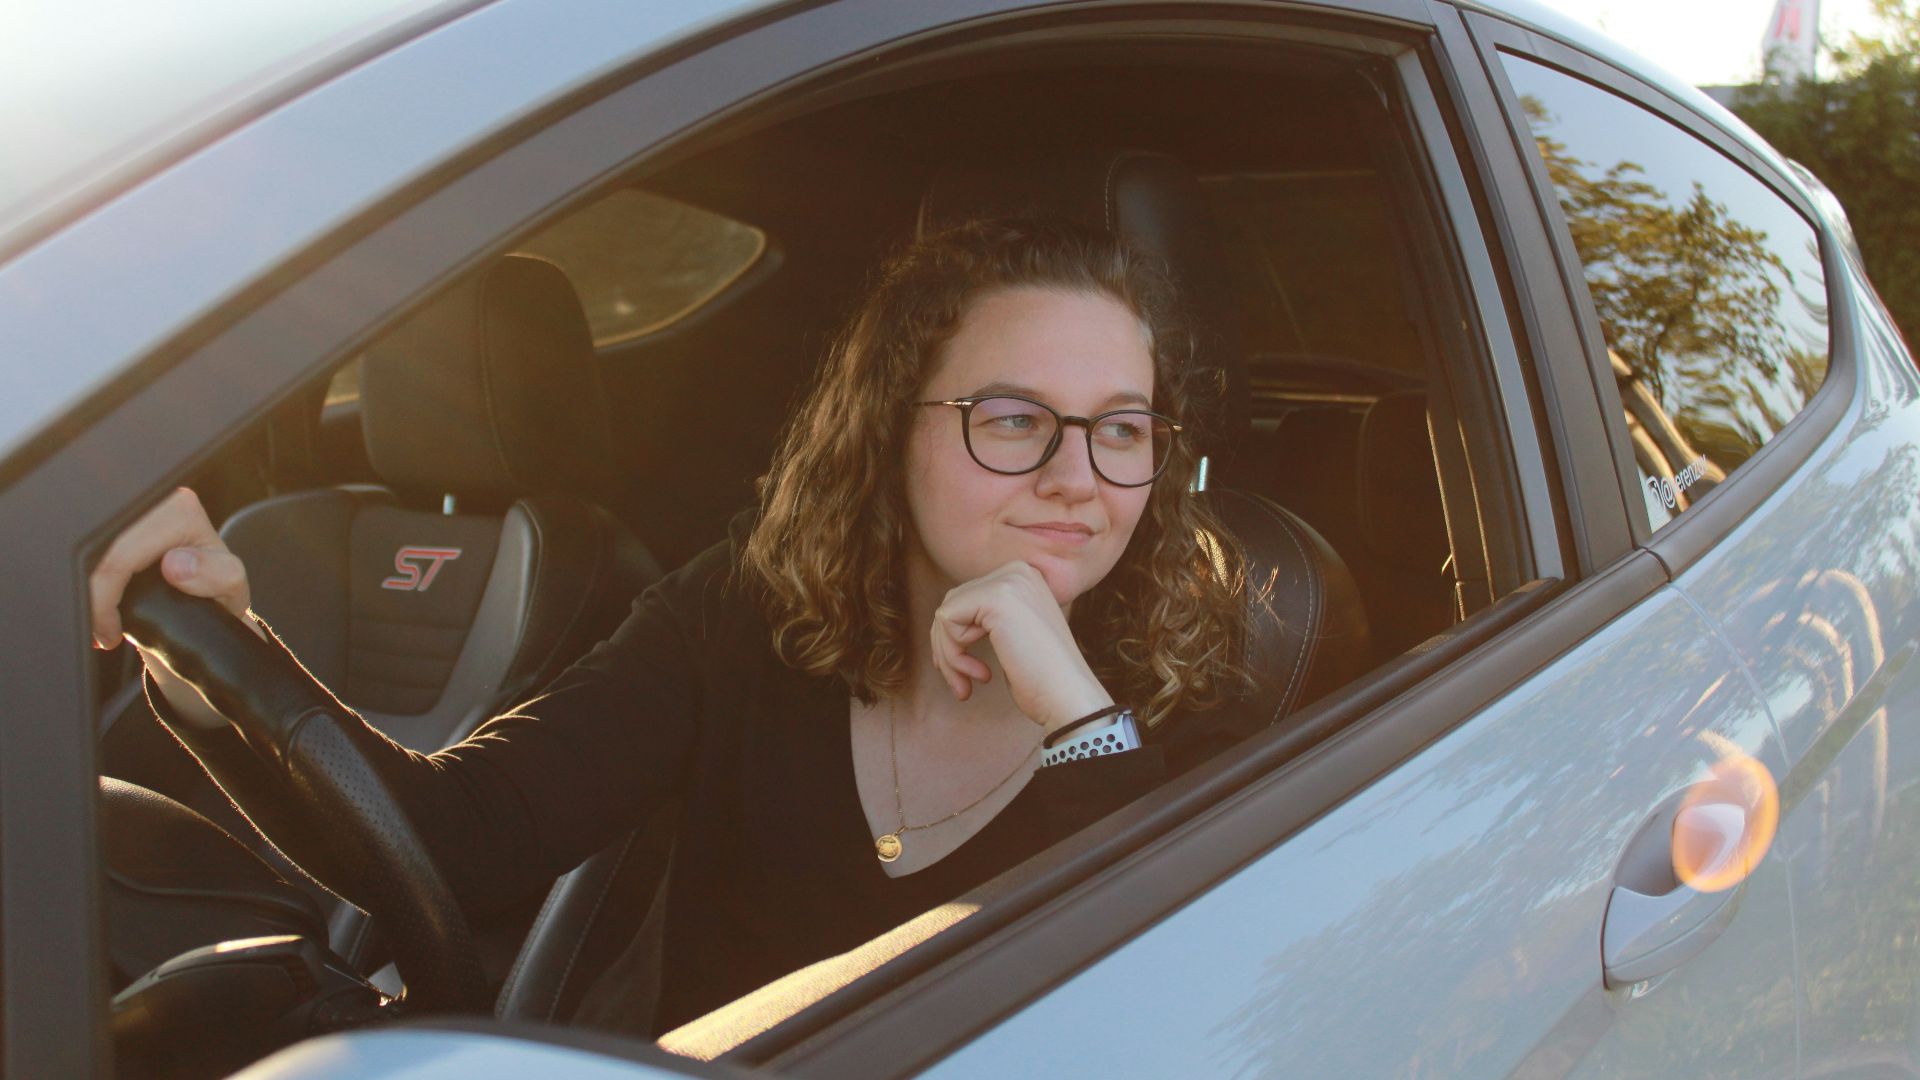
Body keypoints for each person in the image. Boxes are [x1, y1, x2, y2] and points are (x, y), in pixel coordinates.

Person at [87, 217, 1252, 1033]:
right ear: (889, 430)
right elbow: (455, 838)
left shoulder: (1202, 703)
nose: (1077, 477)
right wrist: (209, 644)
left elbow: (1176, 1014)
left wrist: (1075, 715)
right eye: (1012, 419)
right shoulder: (746, 617)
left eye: (1123, 429)